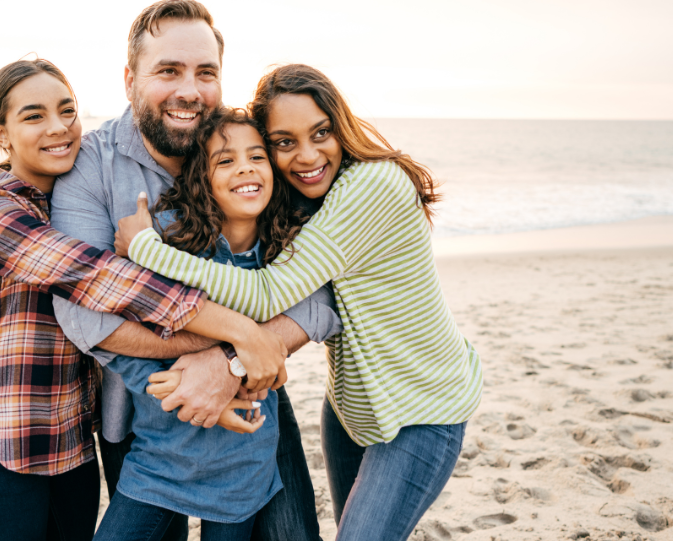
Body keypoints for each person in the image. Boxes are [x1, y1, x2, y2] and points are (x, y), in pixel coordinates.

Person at [117, 64, 483, 541]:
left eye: (321, 133)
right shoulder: (314, 197)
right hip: (353, 408)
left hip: (423, 407)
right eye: (285, 143)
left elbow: (268, 292)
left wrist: (147, 248)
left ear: (341, 127)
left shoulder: (372, 185)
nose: (307, 155)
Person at [0, 58, 287, 541]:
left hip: (72, 434)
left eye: (67, 110)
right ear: (1, 134)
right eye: (34, 116)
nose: (59, 127)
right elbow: (94, 276)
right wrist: (239, 332)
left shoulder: (67, 195)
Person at [51, 0, 339, 541]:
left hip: (252, 408)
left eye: (205, 72)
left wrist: (230, 364)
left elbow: (322, 294)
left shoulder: (251, 152)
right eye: (168, 71)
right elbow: (86, 315)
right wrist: (225, 349)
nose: (190, 90)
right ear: (130, 78)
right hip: (144, 421)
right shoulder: (91, 166)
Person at [93, 107, 339, 541]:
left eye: (256, 156)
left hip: (244, 463)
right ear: (201, 179)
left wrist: (237, 368)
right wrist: (186, 393)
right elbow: (121, 343)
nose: (244, 166)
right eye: (224, 160)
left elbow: (318, 314)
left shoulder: (289, 253)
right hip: (162, 457)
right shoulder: (169, 238)